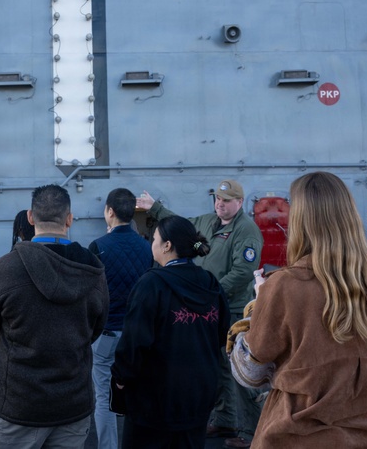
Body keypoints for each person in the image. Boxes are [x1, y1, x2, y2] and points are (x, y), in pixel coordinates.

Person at [229, 171, 367, 448]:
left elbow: (250, 373)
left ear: (300, 220)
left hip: (300, 440)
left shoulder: (284, 286)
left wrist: (259, 307)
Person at [0, 184, 109, 449]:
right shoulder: (93, 270)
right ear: (69, 219)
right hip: (73, 404)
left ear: (30, 217)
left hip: (19, 404)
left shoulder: (5, 269)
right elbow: (96, 327)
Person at [138, 180, 263, 448]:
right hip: (211, 306)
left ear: (240, 202)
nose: (220, 203)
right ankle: (225, 419)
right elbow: (182, 226)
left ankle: (252, 432)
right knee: (219, 366)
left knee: (242, 369)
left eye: (226, 200)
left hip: (232, 310)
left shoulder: (246, 230)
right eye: (218, 198)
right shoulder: (208, 222)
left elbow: (242, 272)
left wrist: (212, 292)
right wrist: (155, 208)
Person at [112, 216, 230, 448]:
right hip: (199, 394)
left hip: (154, 401)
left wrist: (121, 378)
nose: (152, 243)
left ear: (167, 245)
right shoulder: (210, 282)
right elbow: (222, 332)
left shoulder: (151, 284)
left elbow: (134, 342)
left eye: (154, 238)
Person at [86, 188, 154, 449]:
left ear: (110, 211)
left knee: (104, 397)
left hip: (106, 333)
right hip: (138, 335)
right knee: (138, 393)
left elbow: (90, 293)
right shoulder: (148, 248)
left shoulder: (98, 247)